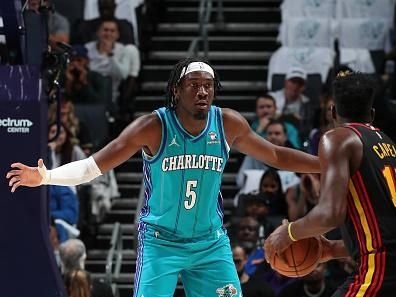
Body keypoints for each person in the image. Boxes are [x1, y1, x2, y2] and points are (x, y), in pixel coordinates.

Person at [7, 57, 319, 297]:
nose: (202, 91)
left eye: (208, 85)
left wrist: (324, 166)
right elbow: (93, 167)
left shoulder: (228, 123)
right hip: (161, 243)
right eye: (194, 84)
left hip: (210, 243)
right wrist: (46, 176)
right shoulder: (153, 127)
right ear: (176, 90)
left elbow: (277, 156)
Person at [264, 71, 396, 296]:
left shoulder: (337, 138)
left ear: (333, 111)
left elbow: (330, 214)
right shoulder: (388, 144)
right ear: (371, 114)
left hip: (379, 267)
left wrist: (289, 232)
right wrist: (332, 249)